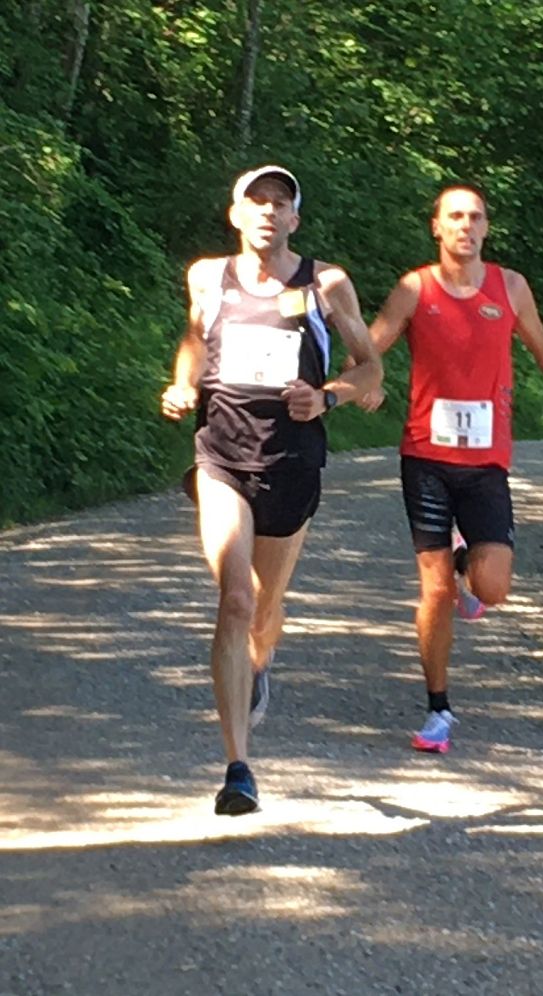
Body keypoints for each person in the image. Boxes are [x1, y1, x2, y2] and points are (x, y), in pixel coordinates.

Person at [359, 183, 543, 753]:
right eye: (455, 216)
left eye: (475, 217)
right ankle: (439, 710)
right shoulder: (415, 287)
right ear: (436, 226)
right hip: (426, 456)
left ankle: (464, 561)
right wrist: (360, 381)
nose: (466, 226)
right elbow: (371, 344)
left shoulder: (510, 286)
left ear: (486, 228)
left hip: (486, 461)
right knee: (435, 593)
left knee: (493, 589)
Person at [161, 165, 382, 815]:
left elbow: (370, 367)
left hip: (291, 462)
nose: (267, 211)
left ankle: (259, 665)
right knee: (234, 599)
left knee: (264, 604)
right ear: (235, 215)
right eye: (255, 201)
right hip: (221, 456)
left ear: (294, 220)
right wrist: (183, 384)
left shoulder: (325, 283)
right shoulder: (208, 276)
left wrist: (329, 396)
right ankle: (238, 768)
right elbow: (194, 341)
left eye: (279, 203)